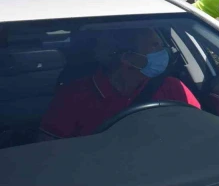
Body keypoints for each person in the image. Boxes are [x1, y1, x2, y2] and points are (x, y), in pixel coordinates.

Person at [40, 28, 201, 139]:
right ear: (128, 58)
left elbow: (198, 130)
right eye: (155, 46)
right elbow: (51, 147)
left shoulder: (172, 87)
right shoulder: (74, 96)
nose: (166, 50)